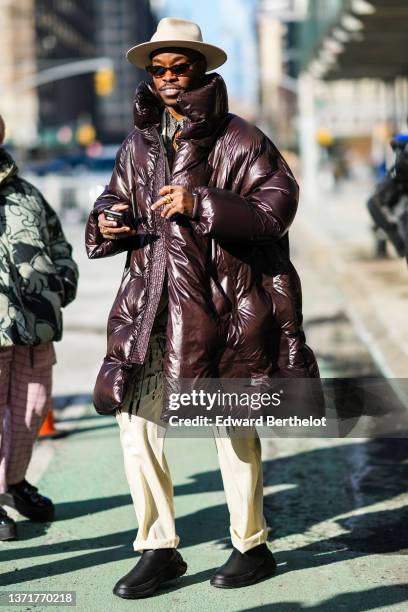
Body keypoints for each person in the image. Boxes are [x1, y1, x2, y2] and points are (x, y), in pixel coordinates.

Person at [86, 18, 320, 599]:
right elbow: (114, 198)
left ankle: (251, 544)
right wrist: (107, 220)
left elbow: (276, 209)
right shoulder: (137, 143)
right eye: (157, 69)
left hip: (220, 305)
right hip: (150, 303)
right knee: (136, 424)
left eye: (179, 67)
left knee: (230, 425)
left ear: (201, 68)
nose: (167, 78)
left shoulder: (241, 139)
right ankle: (158, 548)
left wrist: (202, 202)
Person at [0, 115, 78, 540]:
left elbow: (58, 242)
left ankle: (14, 484)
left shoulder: (25, 193)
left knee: (32, 408)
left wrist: (62, 283)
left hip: (35, 324)